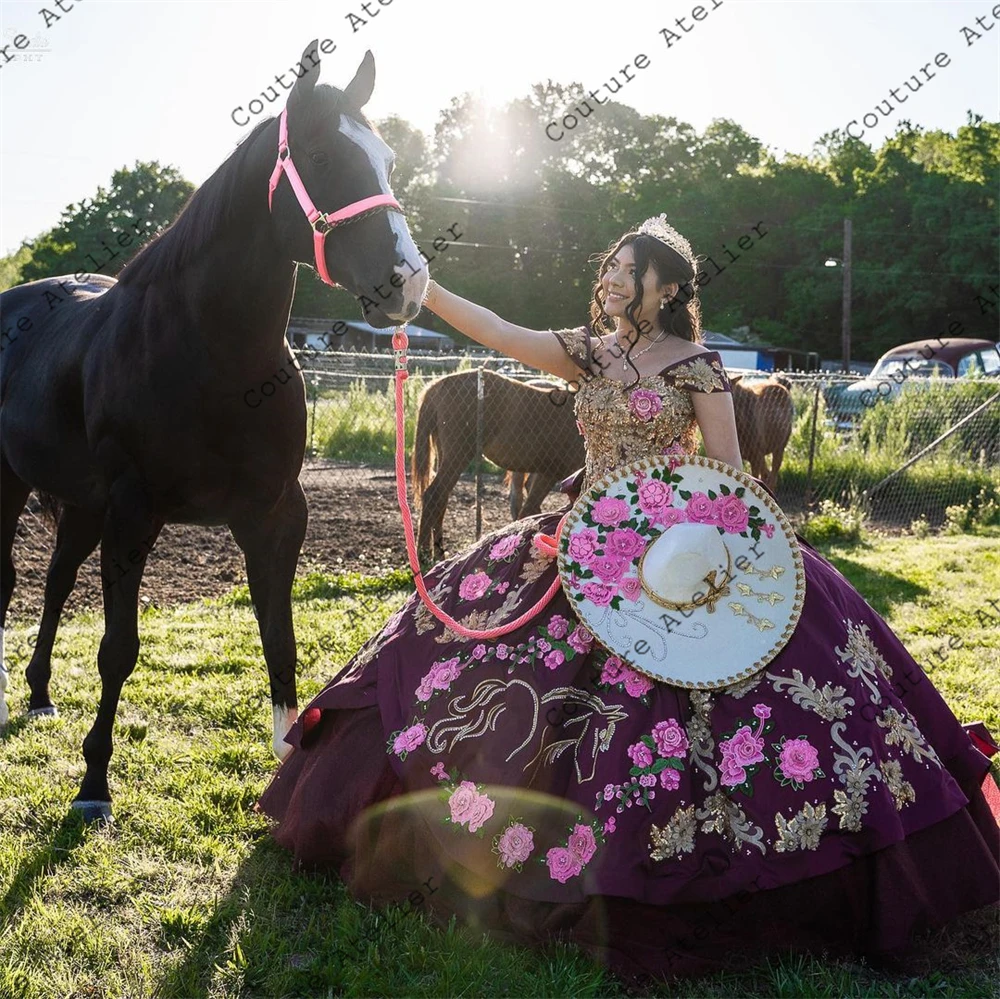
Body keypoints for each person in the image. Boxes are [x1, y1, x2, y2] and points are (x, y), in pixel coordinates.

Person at [257, 215, 999, 980]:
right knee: (459, 644)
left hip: (673, 553)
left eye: (627, 271)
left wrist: (701, 555)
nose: (609, 279)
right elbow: (501, 329)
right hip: (577, 536)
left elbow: (730, 476)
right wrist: (427, 288)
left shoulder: (700, 368)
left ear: (669, 288)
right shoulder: (589, 350)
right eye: (607, 268)